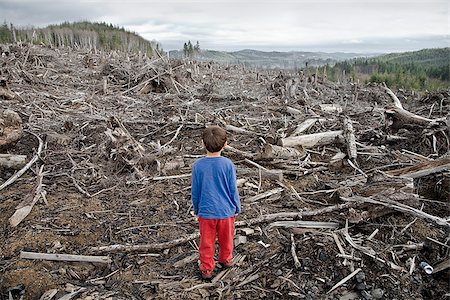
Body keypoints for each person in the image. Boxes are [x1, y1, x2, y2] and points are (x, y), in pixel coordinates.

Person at [191, 125, 241, 280]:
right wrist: (237, 207)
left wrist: (197, 208)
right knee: (227, 238)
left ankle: (206, 268)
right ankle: (226, 260)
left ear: (202, 143)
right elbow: (233, 189)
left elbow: (196, 191)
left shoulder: (198, 166)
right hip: (226, 212)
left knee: (206, 241)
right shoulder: (227, 164)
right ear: (225, 143)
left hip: (206, 212)